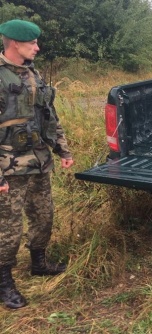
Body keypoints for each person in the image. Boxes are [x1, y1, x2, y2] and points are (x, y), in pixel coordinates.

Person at [0, 19, 74, 309]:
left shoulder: (33, 74)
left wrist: (62, 150)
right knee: (9, 227)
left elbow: (49, 116)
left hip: (40, 161)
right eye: (32, 43)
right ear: (15, 43)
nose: (37, 47)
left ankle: (39, 263)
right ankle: (4, 282)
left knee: (44, 215)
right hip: (10, 166)